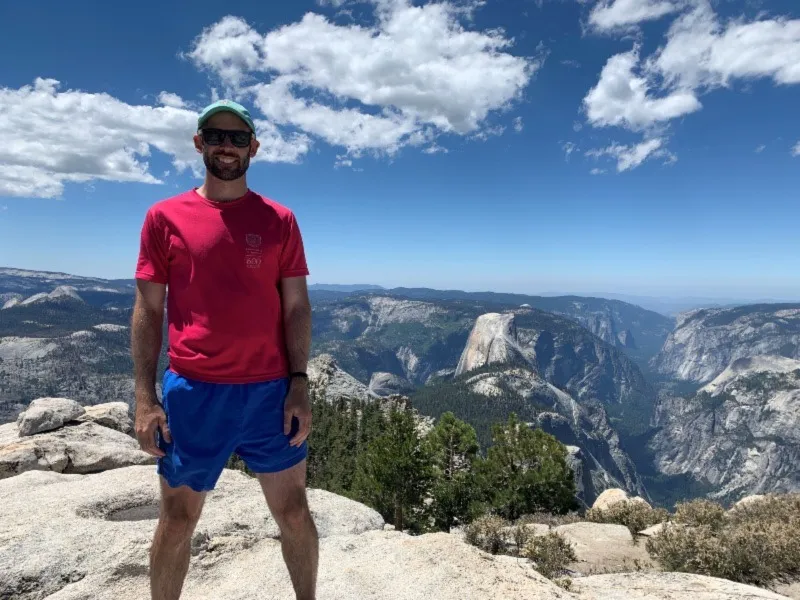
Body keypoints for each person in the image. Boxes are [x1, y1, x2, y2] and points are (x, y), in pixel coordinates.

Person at [131, 100, 318, 600]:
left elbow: (296, 305)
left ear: (253, 148)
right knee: (176, 520)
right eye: (216, 136)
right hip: (194, 393)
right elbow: (149, 309)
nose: (227, 147)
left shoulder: (280, 219)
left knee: (295, 513)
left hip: (270, 393)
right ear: (199, 143)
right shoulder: (163, 217)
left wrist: (299, 383)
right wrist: (145, 397)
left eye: (238, 139)